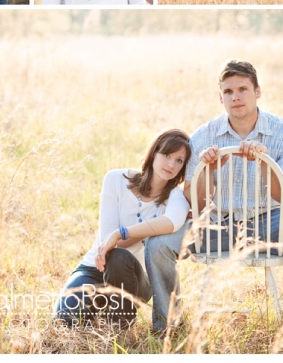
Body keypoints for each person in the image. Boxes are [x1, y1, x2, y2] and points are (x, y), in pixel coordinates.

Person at [145, 60, 283, 332]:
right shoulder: (203, 136)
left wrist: (266, 163)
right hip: (214, 222)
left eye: (243, 89)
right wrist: (207, 171)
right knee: (157, 245)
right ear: (220, 97)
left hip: (269, 221)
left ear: (257, 91)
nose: (236, 96)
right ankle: (167, 326)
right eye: (229, 91)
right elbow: (194, 202)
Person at [54, 129, 191, 328]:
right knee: (64, 322)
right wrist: (120, 235)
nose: (171, 164)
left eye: (179, 161)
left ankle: (118, 326)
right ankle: (99, 304)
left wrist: (121, 233)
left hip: (135, 278)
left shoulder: (176, 198)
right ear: (154, 153)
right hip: (95, 268)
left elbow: (172, 222)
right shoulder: (116, 179)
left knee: (119, 256)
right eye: (167, 155)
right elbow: (106, 241)